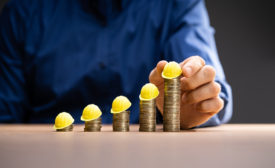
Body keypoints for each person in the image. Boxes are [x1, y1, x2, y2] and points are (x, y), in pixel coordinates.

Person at [0, 0, 232, 129]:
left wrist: (193, 103)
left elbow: (212, 88)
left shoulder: (178, 5)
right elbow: (5, 121)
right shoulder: (21, 13)